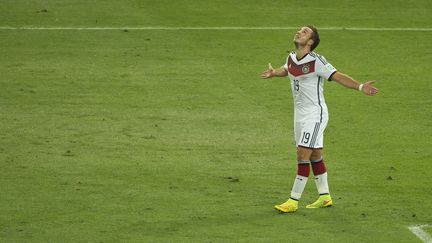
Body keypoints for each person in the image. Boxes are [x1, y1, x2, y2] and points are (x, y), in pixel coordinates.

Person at [260, 25, 379, 213]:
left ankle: (293, 200)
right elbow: (287, 69)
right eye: (299, 30)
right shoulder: (291, 57)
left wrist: (360, 86)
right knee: (315, 154)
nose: (299, 32)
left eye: (305, 32)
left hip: (315, 114)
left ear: (310, 42)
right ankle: (325, 197)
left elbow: (337, 76)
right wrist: (274, 72)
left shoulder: (317, 61)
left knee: (302, 153)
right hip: (299, 115)